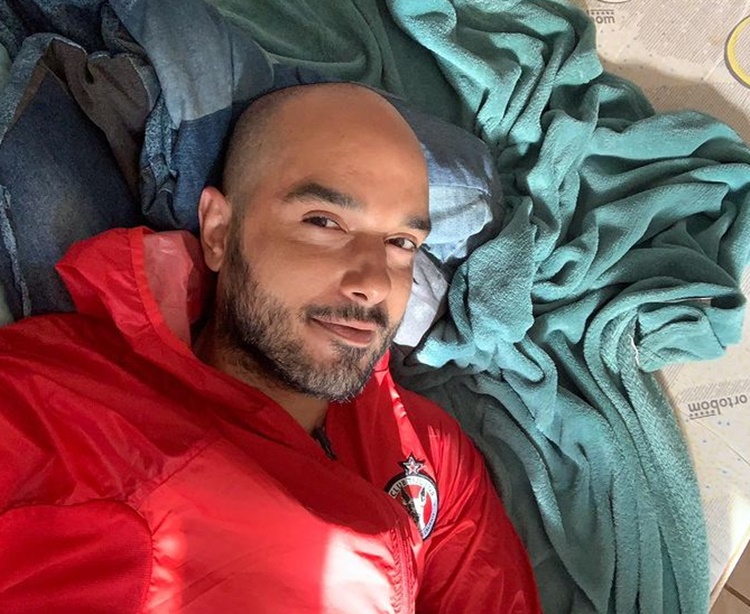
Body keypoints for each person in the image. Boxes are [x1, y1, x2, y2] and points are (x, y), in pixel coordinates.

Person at [0, 82, 540, 613]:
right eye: (324, 222)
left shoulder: (433, 455)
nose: (375, 283)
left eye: (401, 243)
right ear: (218, 232)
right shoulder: (49, 403)